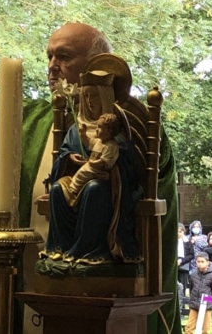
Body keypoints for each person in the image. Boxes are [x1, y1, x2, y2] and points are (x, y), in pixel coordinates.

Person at [0, 21, 181, 334]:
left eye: (64, 57)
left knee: (94, 191)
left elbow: (143, 181)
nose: (52, 66)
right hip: (31, 285)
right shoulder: (25, 120)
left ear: (96, 65)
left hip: (111, 297)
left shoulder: (133, 123)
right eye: (49, 57)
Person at [42, 70, 142, 263]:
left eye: (94, 95)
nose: (89, 101)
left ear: (105, 96)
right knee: (56, 189)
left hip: (108, 184)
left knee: (93, 189)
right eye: (86, 95)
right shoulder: (75, 128)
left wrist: (111, 171)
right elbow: (62, 156)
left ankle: (90, 250)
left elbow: (129, 167)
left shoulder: (116, 133)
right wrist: (70, 158)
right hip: (79, 175)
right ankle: (60, 247)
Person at [69, 113, 121, 196]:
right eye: (97, 126)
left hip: (98, 170)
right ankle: (74, 188)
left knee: (83, 174)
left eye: (100, 127)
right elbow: (88, 142)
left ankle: (75, 190)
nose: (96, 129)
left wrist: (92, 163)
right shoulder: (99, 141)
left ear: (110, 130)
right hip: (91, 166)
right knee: (80, 173)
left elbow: (104, 162)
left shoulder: (111, 146)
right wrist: (83, 134)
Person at [184, 252, 212, 334]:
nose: (200, 264)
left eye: (202, 262)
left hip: (207, 306)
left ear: (207, 262)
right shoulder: (193, 275)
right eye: (198, 262)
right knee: (189, 328)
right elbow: (191, 288)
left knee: (206, 330)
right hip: (194, 304)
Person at [177, 223, 194, 296]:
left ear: (183, 232)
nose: (179, 233)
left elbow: (191, 255)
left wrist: (182, 260)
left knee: (182, 285)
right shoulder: (170, 241)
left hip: (183, 265)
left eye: (180, 231)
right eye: (177, 231)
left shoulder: (187, 242)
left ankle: (182, 303)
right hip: (173, 264)